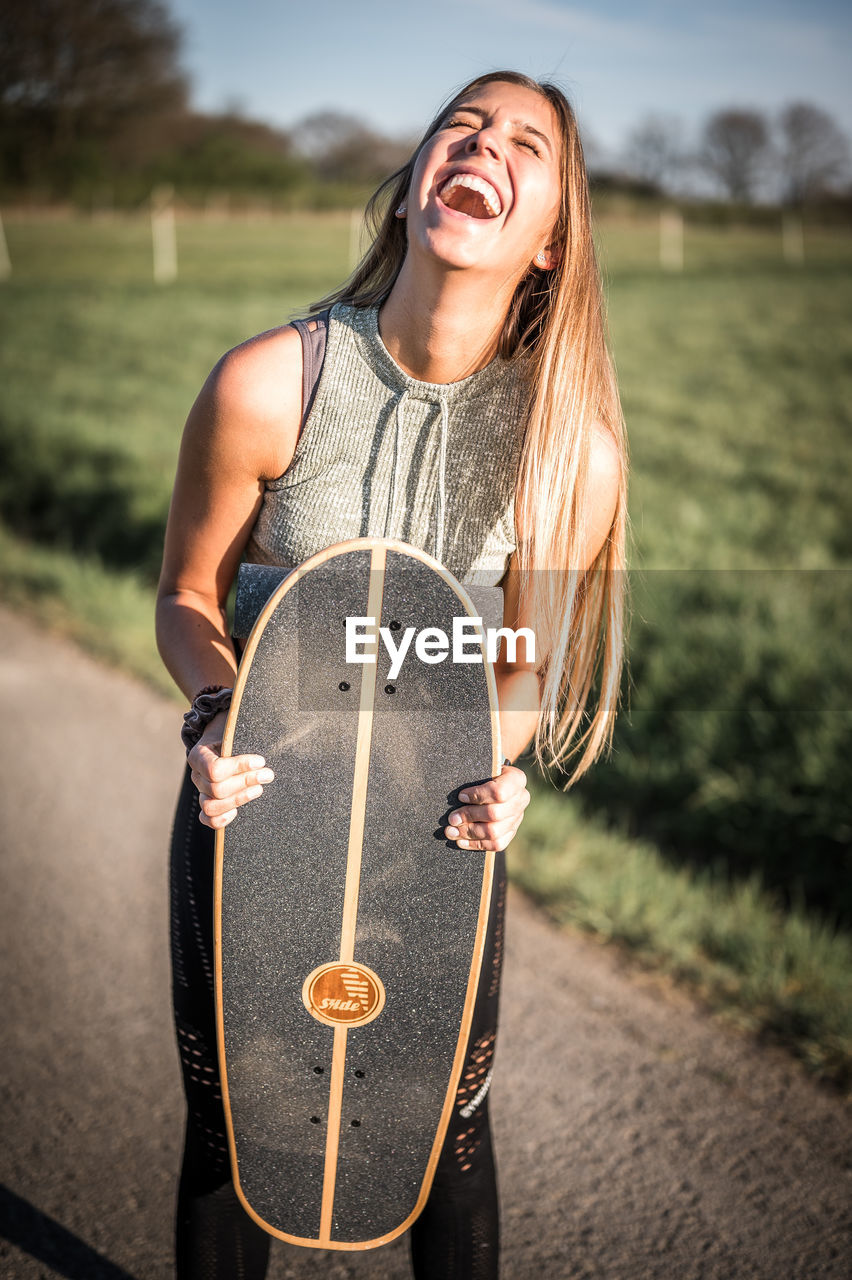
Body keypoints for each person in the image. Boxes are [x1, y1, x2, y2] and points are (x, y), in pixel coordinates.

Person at [156, 69, 627, 1280]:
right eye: (462, 123)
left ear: (549, 242)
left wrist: (500, 766)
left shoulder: (564, 441)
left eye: (528, 143)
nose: (484, 143)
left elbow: (522, 660)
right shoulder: (273, 381)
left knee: (443, 1128)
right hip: (256, 805)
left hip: (435, 835)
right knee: (236, 1127)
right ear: (415, 182)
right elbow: (187, 596)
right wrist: (220, 713)